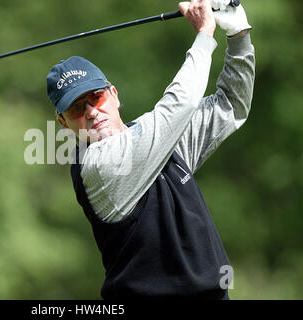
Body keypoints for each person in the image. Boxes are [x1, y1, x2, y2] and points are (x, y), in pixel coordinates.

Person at [46, 0, 255, 299]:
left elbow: (231, 105)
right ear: (64, 124)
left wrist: (238, 35)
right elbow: (178, 106)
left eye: (96, 98)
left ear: (114, 95)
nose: (91, 112)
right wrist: (204, 34)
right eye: (77, 108)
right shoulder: (97, 166)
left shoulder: (158, 139)